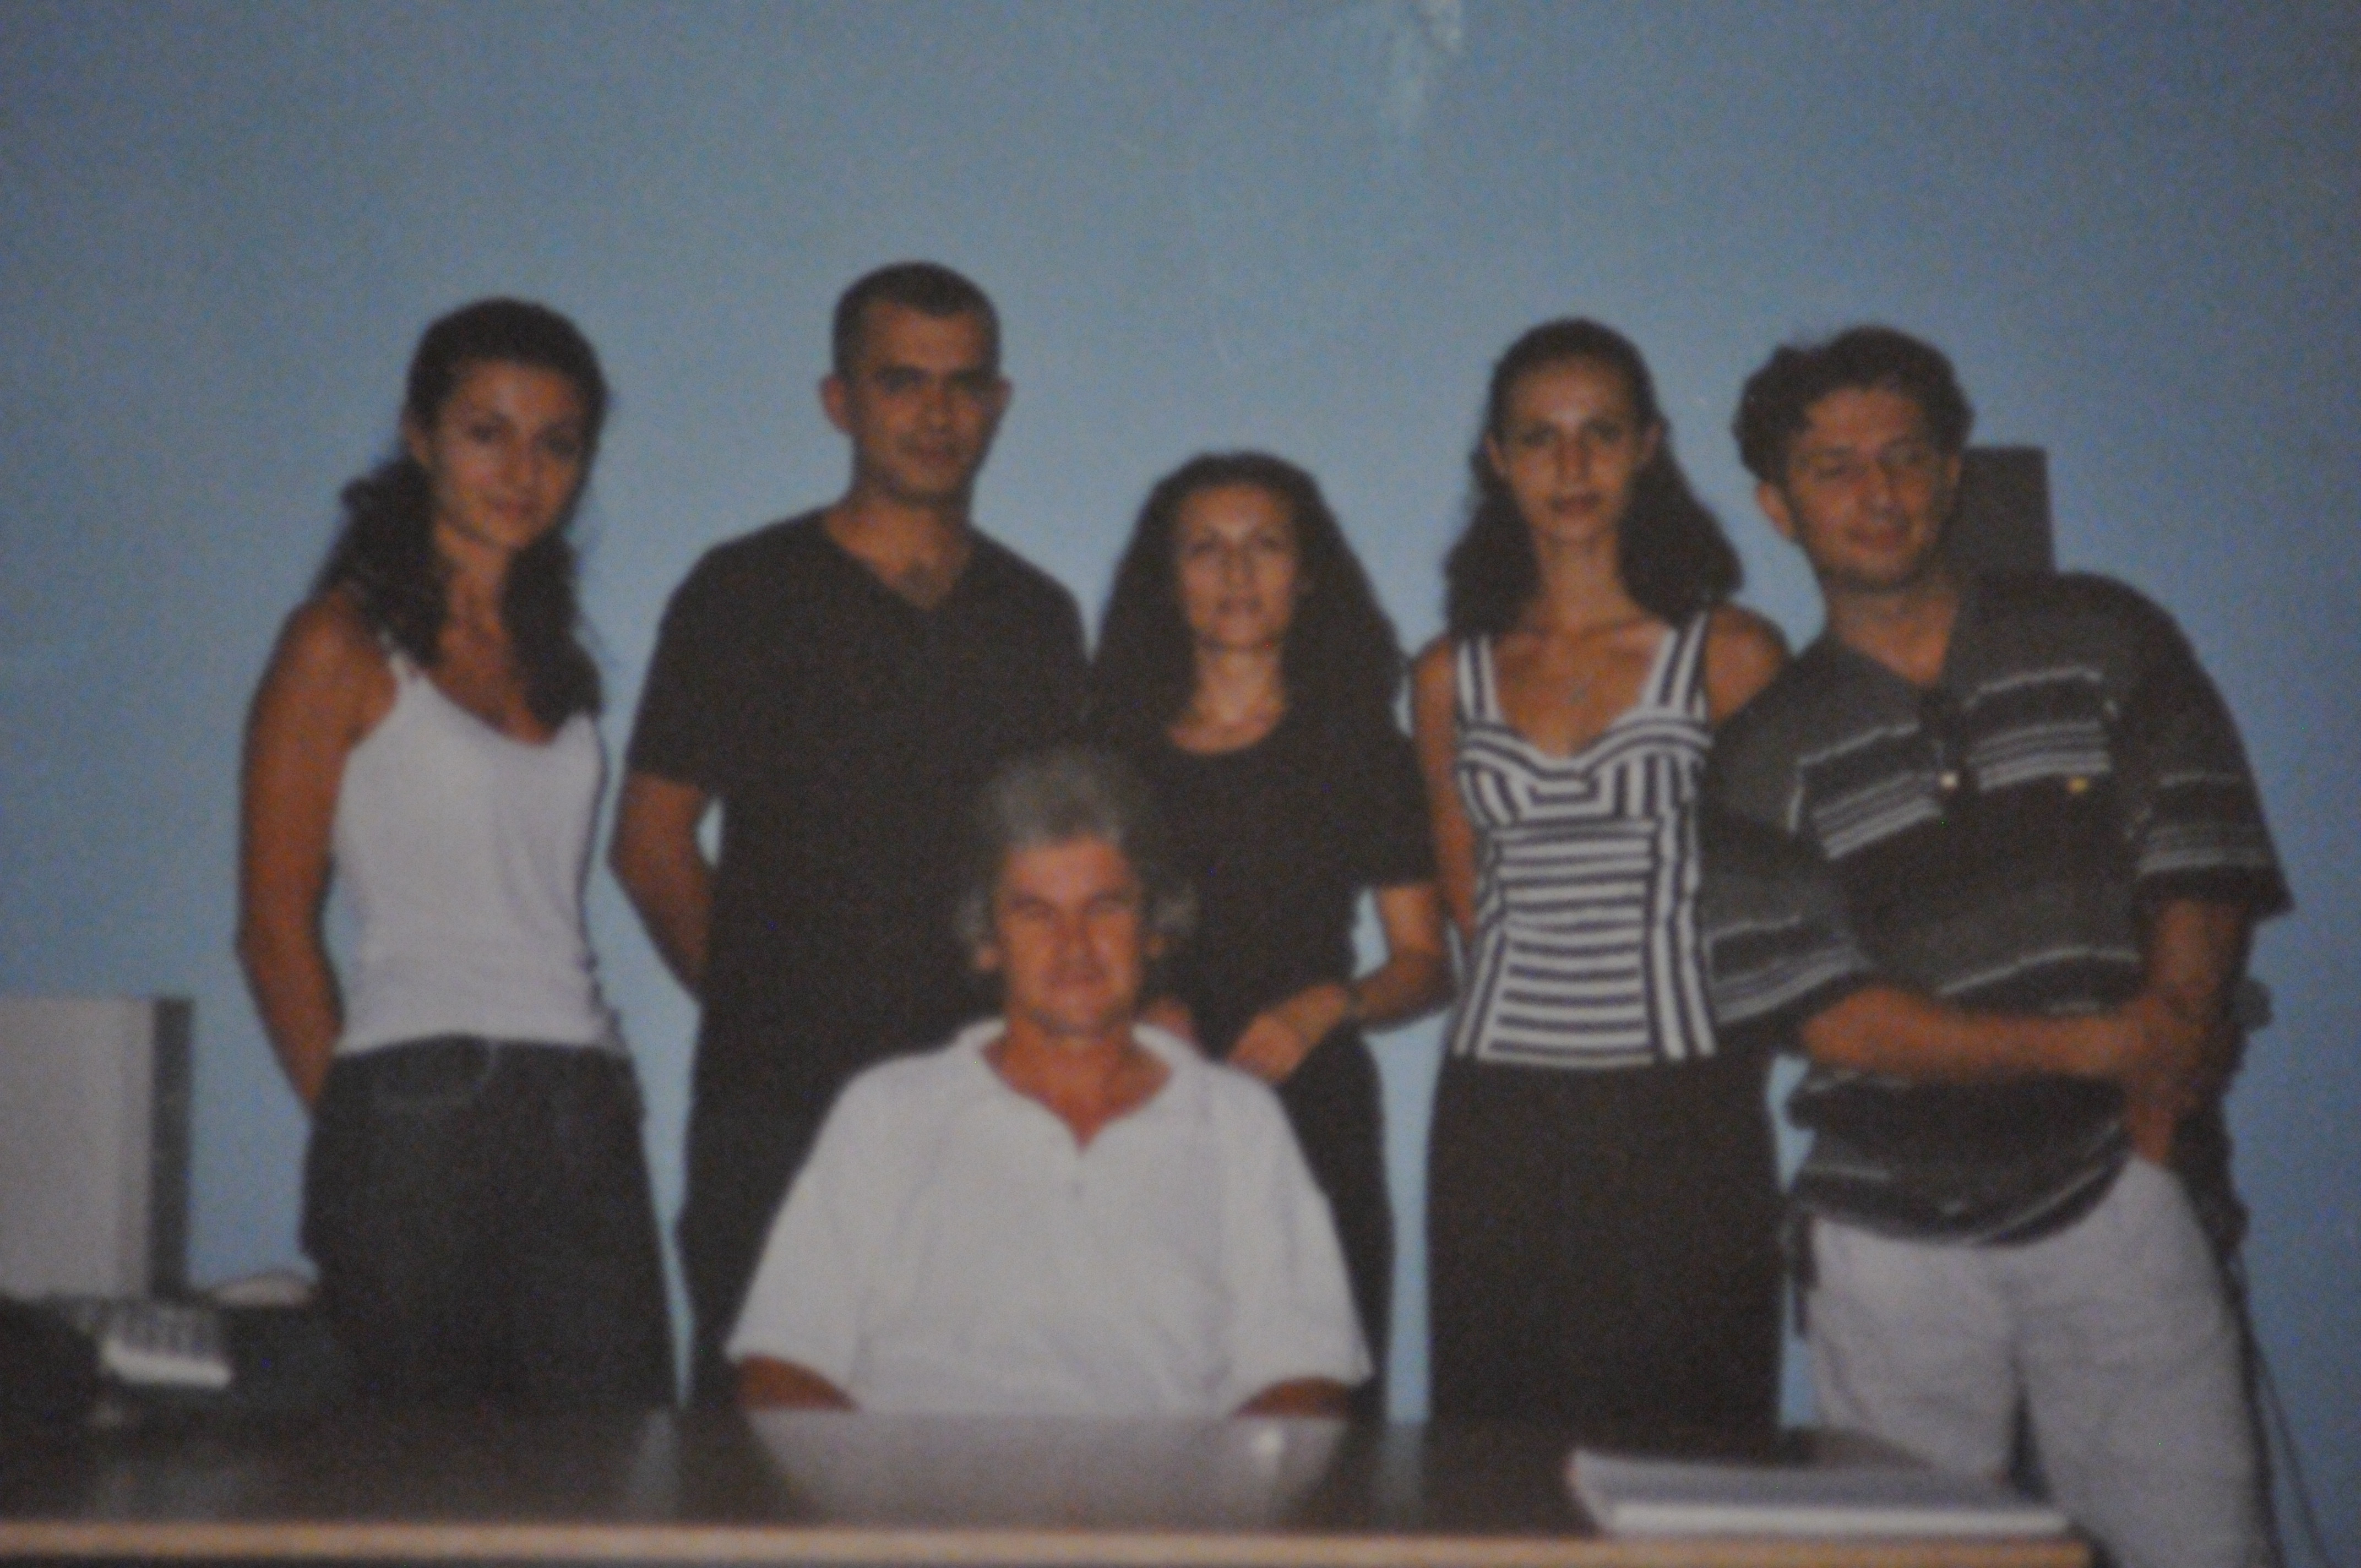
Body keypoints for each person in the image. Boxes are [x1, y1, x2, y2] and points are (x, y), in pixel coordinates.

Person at [1701, 327, 2286, 1568]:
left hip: (2119, 1188)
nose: (1877, 491)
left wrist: (2154, 1098)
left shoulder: (2103, 634)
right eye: (1832, 467)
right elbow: (1827, 1013)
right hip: (1886, 1237)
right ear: (1777, 505)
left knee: (2197, 1545)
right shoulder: (1759, 752)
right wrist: (2096, 1044)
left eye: (1904, 455)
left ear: (1951, 471)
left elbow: (2198, 853)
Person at [611, 263, 1088, 1404]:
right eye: (901, 381)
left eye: (962, 384)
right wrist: (763, 1008)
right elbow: (651, 844)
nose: (936, 412)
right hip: (778, 1124)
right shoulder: (742, 593)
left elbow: (1069, 867)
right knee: (761, 1465)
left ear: (999, 403)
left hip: (986, 1123)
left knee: (976, 1458)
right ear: (839, 400)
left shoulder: (1036, 617)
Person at [236, 299, 671, 1407]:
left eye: (557, 442)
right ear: (420, 436)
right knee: (428, 1476)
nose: (522, 471)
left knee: (620, 1465)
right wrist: (357, 1133)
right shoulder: (339, 642)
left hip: (583, 1096)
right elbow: (272, 926)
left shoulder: (552, 658)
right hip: (418, 1104)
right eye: (488, 432)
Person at [730, 748, 1369, 1417]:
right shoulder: (888, 1110)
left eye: (1105, 908)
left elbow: (1307, 1377)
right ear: (987, 940)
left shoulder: (1238, 1120)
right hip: (917, 1479)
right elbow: (780, 1368)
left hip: (1166, 1483)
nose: (1074, 945)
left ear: (1153, 930)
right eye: (1036, 913)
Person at [1408, 319, 1789, 1438]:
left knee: (1692, 1445)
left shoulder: (1730, 653)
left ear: (1647, 446)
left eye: (1600, 433)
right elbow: (1470, 904)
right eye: (1539, 437)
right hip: (1498, 1112)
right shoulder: (1446, 674)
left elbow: (1776, 910)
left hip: (1682, 1107)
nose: (1570, 465)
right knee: (1500, 1449)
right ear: (1497, 458)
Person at [1089, 452, 1450, 1414]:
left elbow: (1425, 962)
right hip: (1139, 1103)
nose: (1238, 573)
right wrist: (1141, 1005)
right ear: (1167, 581)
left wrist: (1325, 1006)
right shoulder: (1109, 749)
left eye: (1265, 546)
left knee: (1317, 1425)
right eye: (1206, 549)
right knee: (1147, 1421)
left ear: (1308, 573)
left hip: (1309, 1110)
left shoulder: (1359, 746)